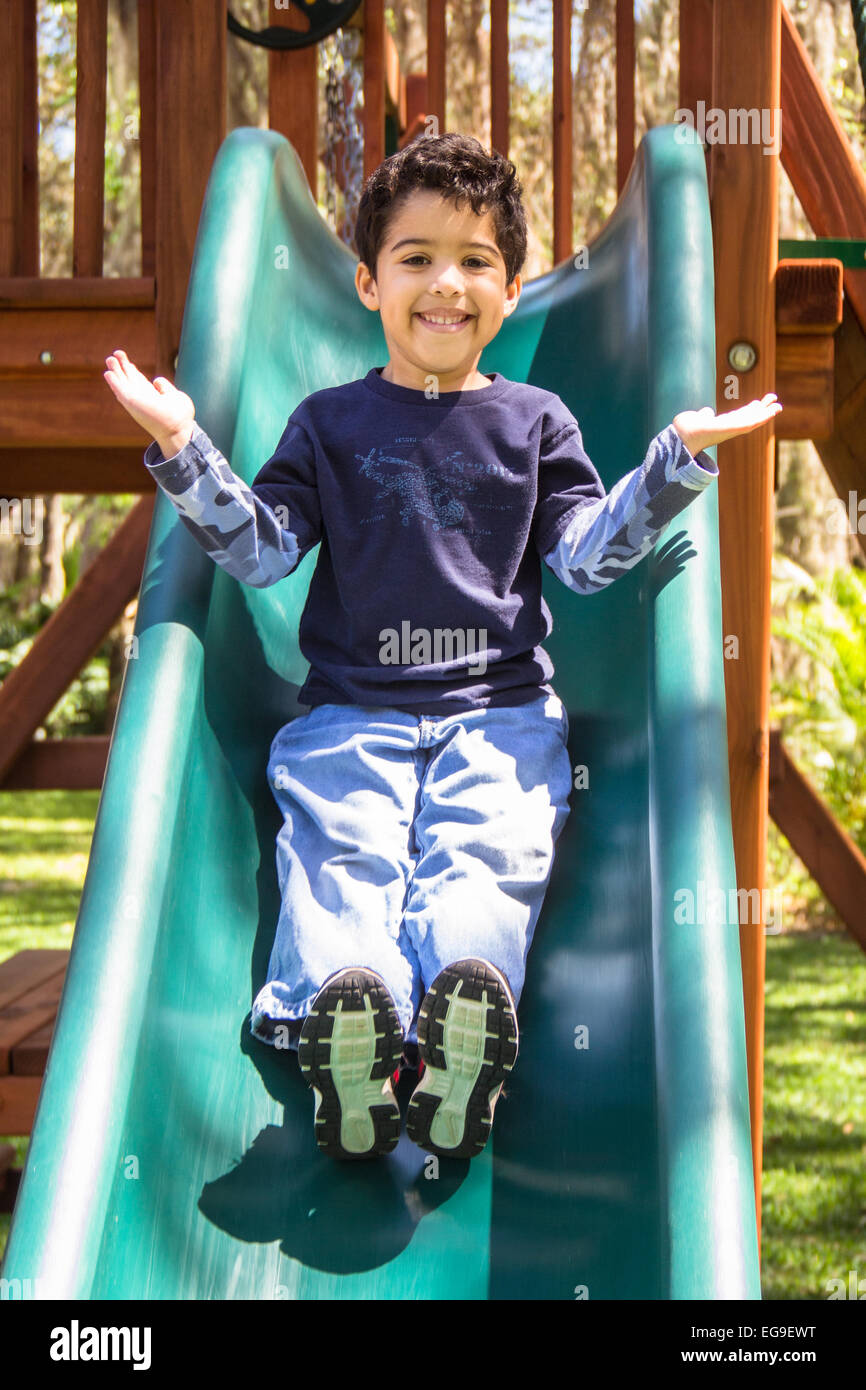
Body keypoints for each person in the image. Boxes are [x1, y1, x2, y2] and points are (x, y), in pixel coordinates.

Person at [103, 132, 782, 1163]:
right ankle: (353, 1037)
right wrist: (181, 446)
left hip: (500, 720)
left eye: (473, 261)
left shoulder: (534, 420)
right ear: (368, 283)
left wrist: (673, 459)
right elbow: (264, 551)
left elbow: (587, 558)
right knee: (341, 859)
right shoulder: (328, 421)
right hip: (348, 717)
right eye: (415, 258)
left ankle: (460, 1035)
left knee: (484, 864)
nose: (444, 284)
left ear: (510, 291)